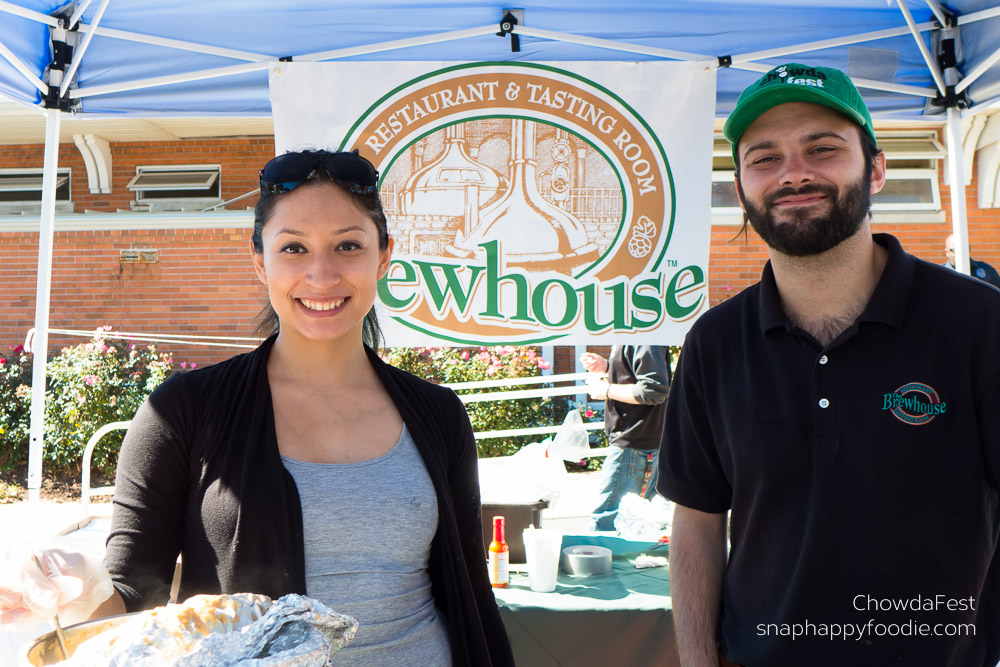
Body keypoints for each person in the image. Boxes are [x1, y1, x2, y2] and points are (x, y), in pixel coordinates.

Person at [1, 149, 515, 667]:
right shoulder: (181, 413)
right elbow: (131, 608)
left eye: (348, 245)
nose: (322, 274)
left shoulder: (439, 414)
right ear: (258, 261)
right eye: (293, 247)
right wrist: (79, 585)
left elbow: (469, 589)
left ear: (383, 256)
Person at [658, 63, 1000, 666]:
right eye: (764, 158)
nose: (794, 174)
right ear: (740, 190)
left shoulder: (977, 324)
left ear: (876, 169)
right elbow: (699, 521)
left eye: (823, 148)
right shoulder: (713, 343)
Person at [580, 345, 670, 531]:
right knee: (636, 522)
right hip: (635, 442)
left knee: (606, 521)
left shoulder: (643, 337)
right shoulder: (637, 333)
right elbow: (638, 375)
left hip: (634, 444)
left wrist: (607, 389)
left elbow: (654, 390)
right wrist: (608, 366)